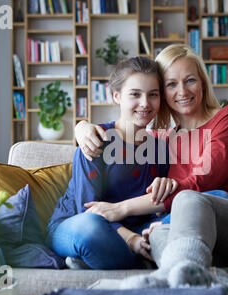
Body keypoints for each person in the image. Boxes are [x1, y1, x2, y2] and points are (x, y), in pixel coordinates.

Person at [75, 44, 228, 295]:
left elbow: (202, 182)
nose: (182, 91)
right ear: (162, 93)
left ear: (203, 83)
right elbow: (124, 129)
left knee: (192, 199)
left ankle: (167, 283)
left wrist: (122, 208)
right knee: (158, 235)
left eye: (190, 80)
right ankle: (202, 286)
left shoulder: (227, 119)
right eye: (171, 84)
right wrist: (82, 127)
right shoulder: (161, 140)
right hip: (209, 241)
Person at [45, 56, 179, 270]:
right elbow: (87, 209)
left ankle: (102, 258)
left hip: (137, 227)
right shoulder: (95, 140)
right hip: (78, 223)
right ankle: (138, 260)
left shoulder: (159, 149)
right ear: (117, 96)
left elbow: (159, 208)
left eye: (152, 95)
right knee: (90, 230)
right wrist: (132, 240)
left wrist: (164, 196)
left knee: (203, 205)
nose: (145, 103)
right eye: (135, 94)